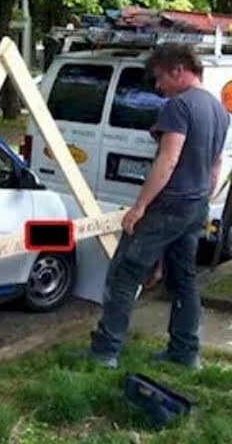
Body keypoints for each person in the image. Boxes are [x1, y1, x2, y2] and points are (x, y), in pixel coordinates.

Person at [86, 43, 229, 369]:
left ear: (179, 70)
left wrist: (139, 208)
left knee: (124, 274)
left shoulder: (179, 107)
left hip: (169, 205)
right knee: (183, 280)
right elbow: (216, 164)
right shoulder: (218, 110)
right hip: (194, 206)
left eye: (160, 78)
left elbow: (168, 160)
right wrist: (202, 199)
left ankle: (104, 352)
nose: (158, 87)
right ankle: (184, 352)